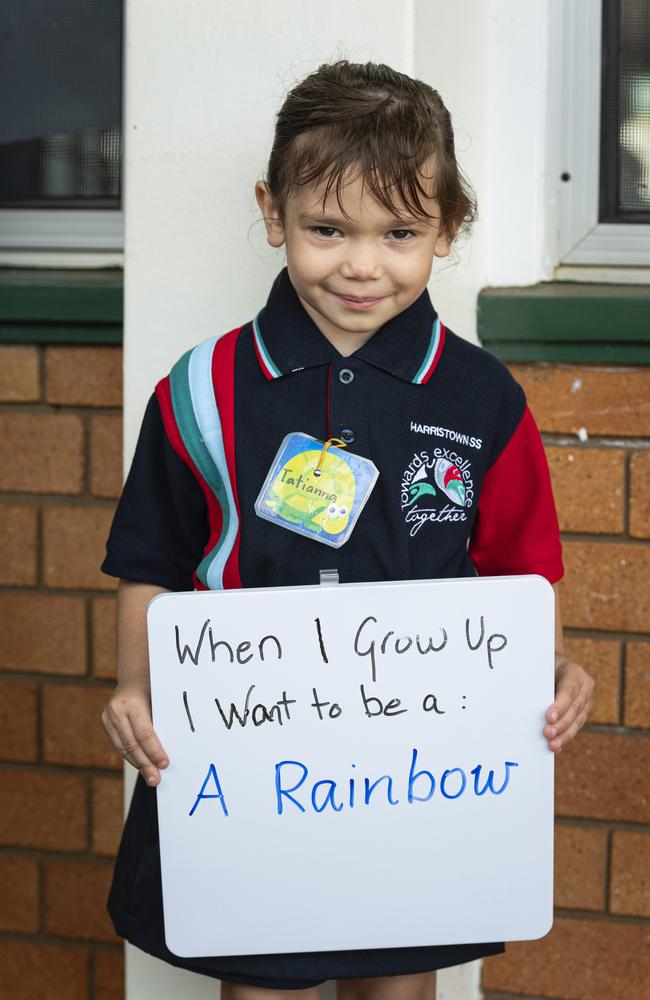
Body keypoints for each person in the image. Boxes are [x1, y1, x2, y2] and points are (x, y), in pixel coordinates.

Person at [100, 59, 594, 999]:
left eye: (400, 233)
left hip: (419, 775)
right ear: (272, 211)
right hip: (247, 770)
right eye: (327, 229)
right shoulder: (199, 391)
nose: (362, 265)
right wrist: (135, 685)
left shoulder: (484, 397)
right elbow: (151, 559)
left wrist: (550, 668)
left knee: (400, 984)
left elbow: (520, 567)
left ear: (447, 228)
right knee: (260, 982)